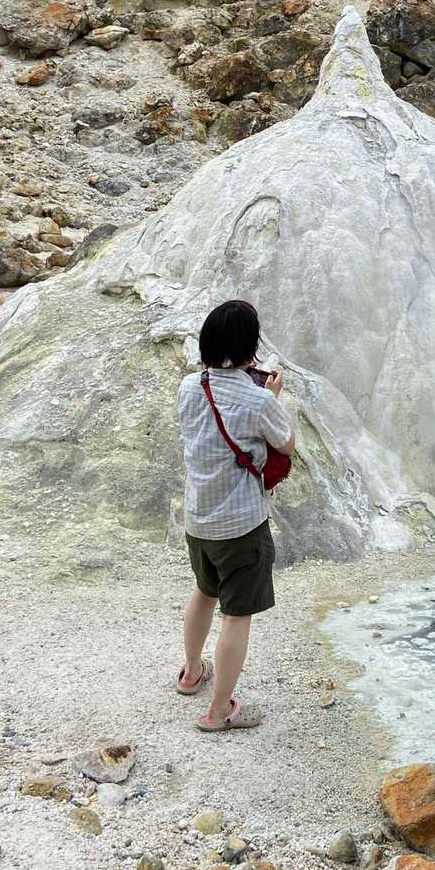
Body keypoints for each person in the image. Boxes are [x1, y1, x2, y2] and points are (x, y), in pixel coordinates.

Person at [175, 299, 295, 732]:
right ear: (250, 347)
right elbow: (286, 444)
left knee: (204, 591)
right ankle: (220, 710)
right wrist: (271, 398)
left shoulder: (190, 386)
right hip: (241, 524)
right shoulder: (258, 399)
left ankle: (191, 673)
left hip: (199, 518)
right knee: (237, 615)